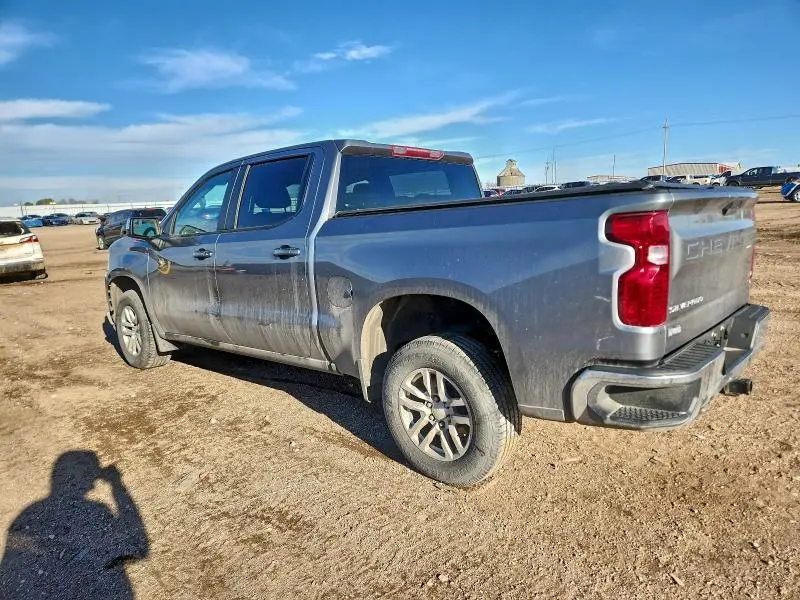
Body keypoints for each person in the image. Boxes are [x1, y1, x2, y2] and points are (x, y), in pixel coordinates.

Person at [0, 451, 149, 600]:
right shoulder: (98, 510)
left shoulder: (29, 513)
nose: (93, 484)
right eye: (92, 477)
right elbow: (140, 546)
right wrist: (117, 485)